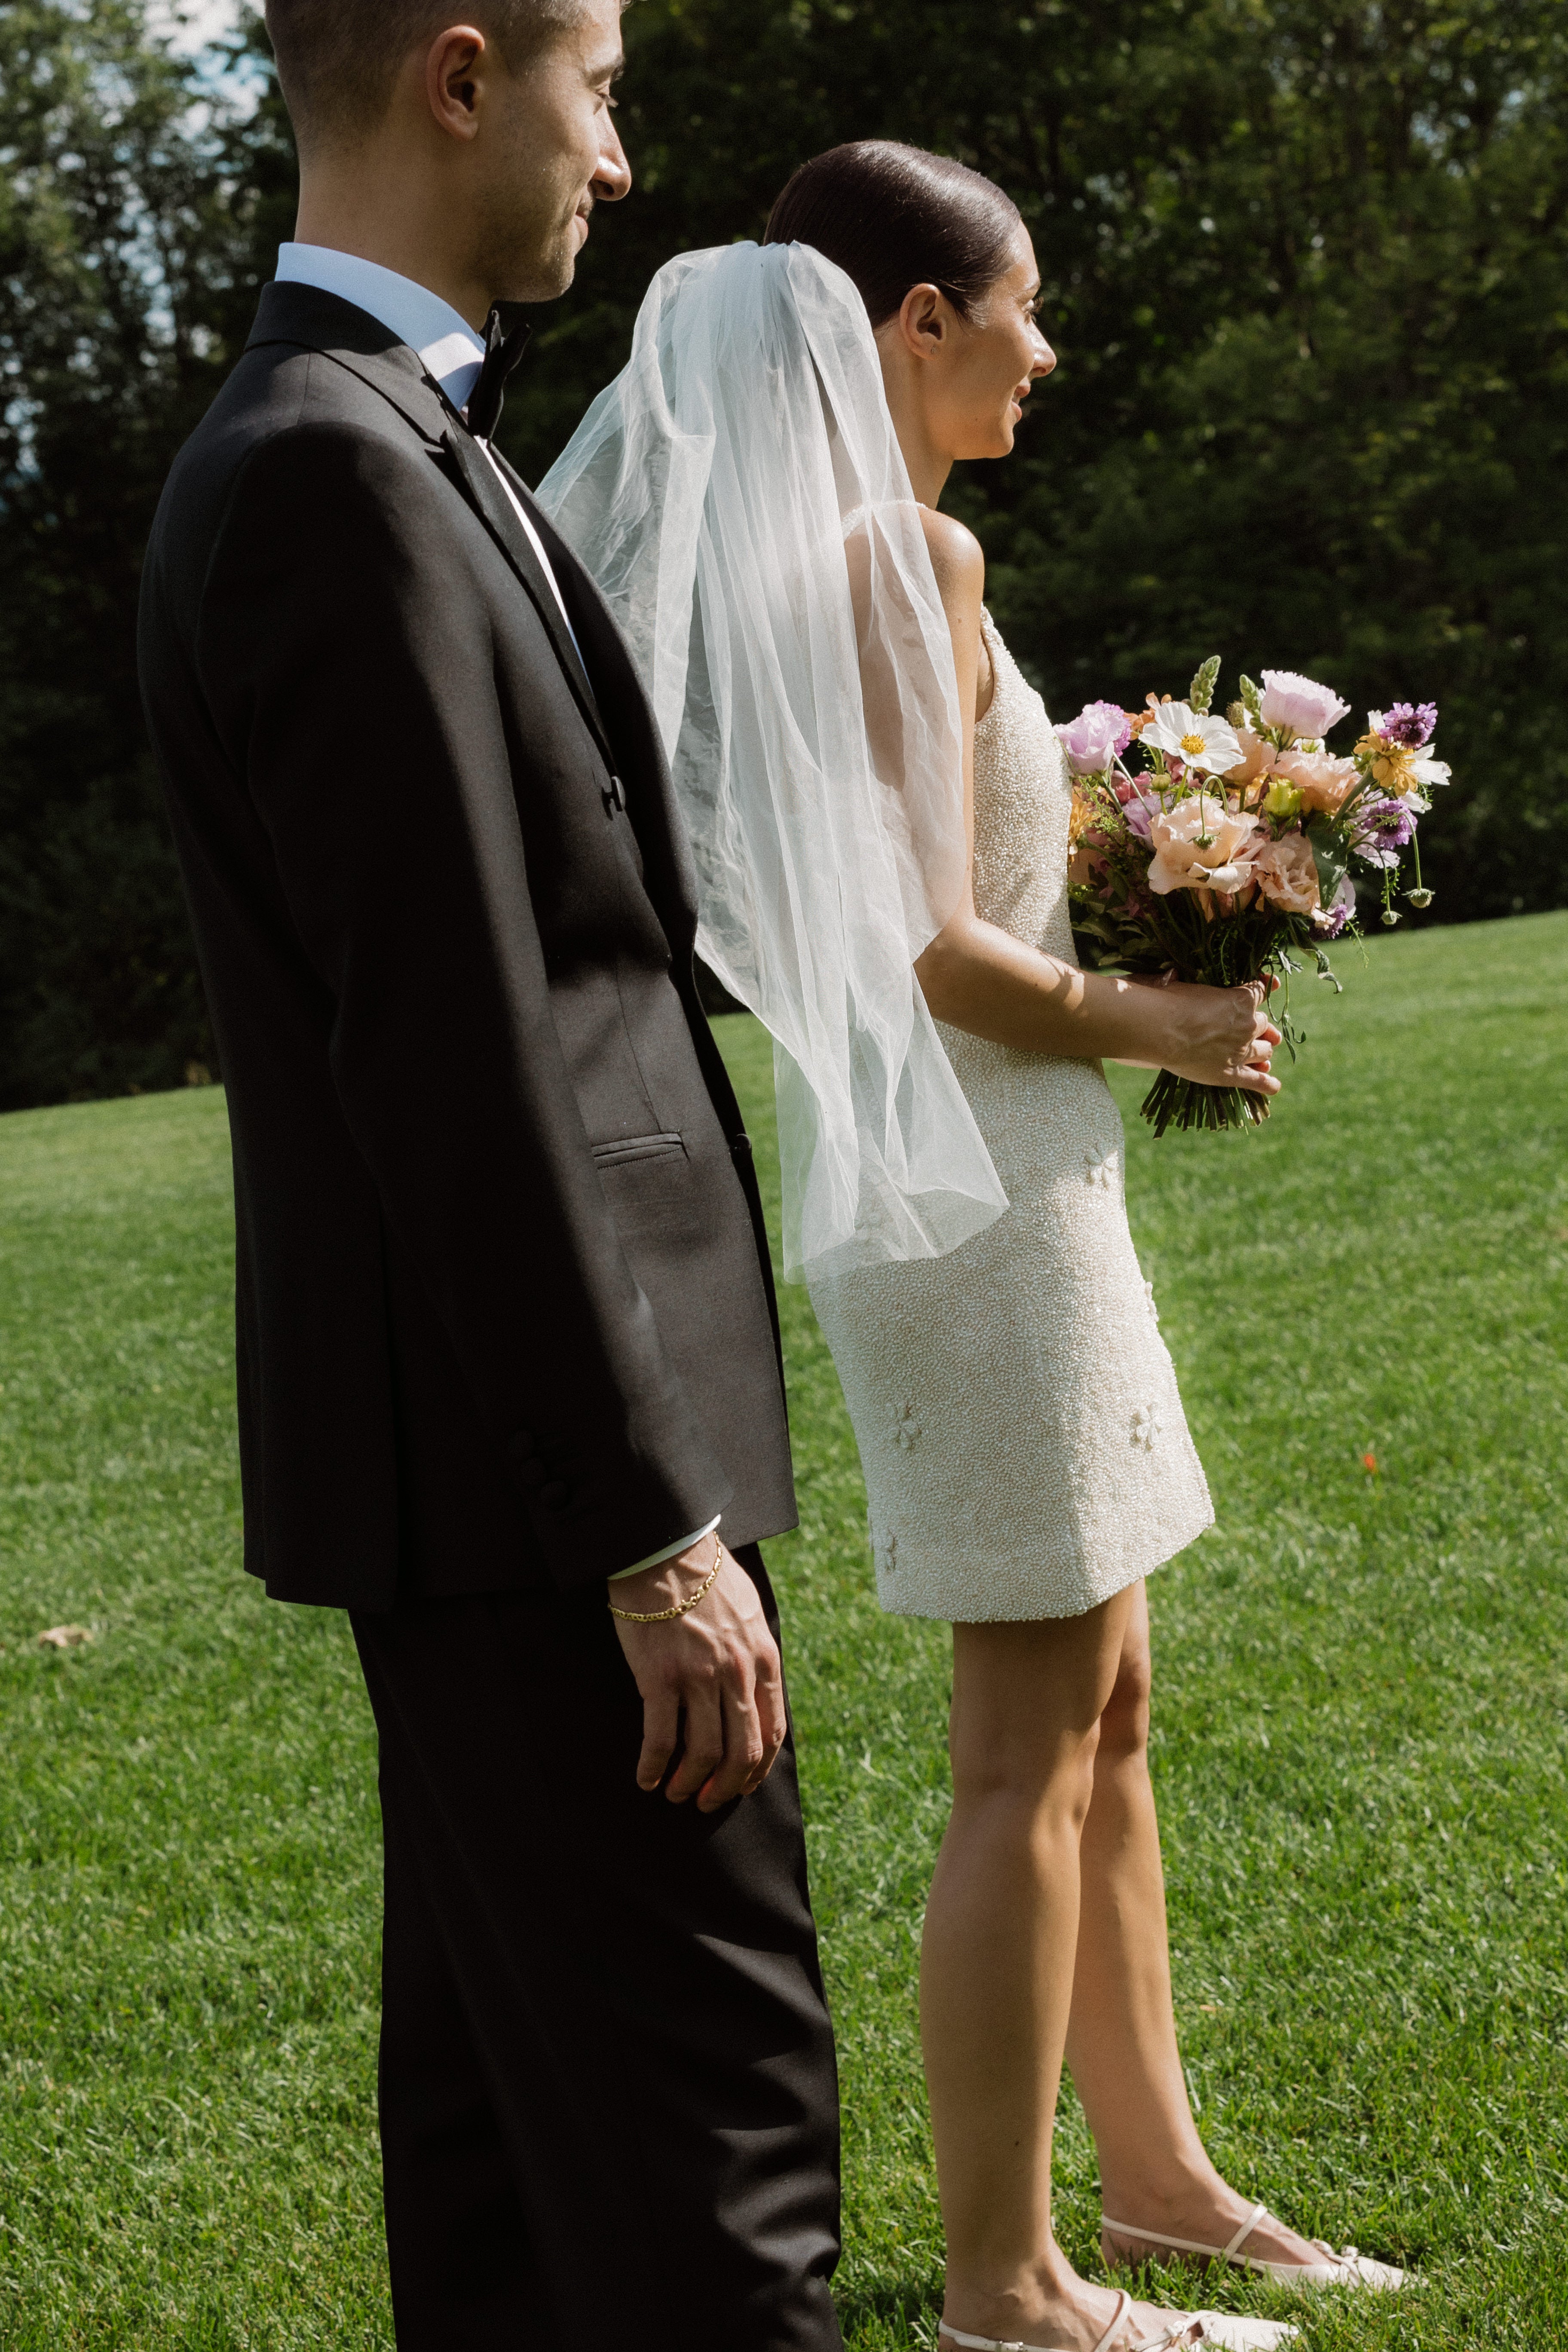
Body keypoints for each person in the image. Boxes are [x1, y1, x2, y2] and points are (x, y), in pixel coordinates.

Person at [537, 141, 1407, 2352]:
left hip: (993, 1183)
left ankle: (1167, 2190)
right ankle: (1013, 2289)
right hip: (980, 1198)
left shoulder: (833, 558)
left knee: (1109, 1706)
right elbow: (928, 949)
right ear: (917, 323)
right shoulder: (907, 553)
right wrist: (1163, 1015)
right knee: (1025, 1747)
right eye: (1020, 306)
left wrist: (1141, 908)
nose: (1046, 344)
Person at [135, 8, 844, 2346]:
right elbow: (450, 1058)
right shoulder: (329, 474)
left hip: (493, 1484)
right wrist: (642, 1528)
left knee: (517, 2188)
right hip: (548, 1498)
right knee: (718, 2182)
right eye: (599, 90)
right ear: (462, 79)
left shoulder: (379, 440)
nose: (620, 160)